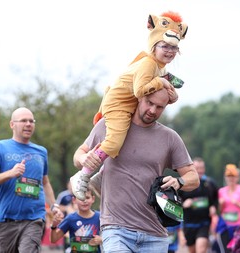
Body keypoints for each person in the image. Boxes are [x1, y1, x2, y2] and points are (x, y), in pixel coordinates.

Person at [70, 10, 187, 200]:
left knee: (133, 137)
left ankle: (100, 177)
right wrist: (163, 83)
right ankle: (82, 175)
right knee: (114, 142)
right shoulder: (149, 64)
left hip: (130, 104)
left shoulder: (159, 66)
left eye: (174, 48)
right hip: (119, 104)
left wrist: (172, 94)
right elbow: (140, 91)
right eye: (165, 46)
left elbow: (165, 89)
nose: (169, 51)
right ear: (154, 46)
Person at [73, 87, 200, 253]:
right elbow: (79, 154)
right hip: (116, 228)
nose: (153, 110)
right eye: (149, 103)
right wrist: (84, 159)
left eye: (159, 107)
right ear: (139, 97)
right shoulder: (110, 126)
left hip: (155, 233)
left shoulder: (170, 138)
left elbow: (193, 178)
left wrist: (179, 181)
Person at [0, 107, 64, 252]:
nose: (28, 124)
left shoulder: (41, 152)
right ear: (12, 124)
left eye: (31, 121)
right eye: (24, 121)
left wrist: (54, 206)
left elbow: (45, 182)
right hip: (7, 221)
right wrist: (10, 173)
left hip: (34, 218)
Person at [179, 157, 218, 253]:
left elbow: (215, 198)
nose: (200, 171)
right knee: (192, 251)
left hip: (204, 223)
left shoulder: (209, 183)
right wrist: (183, 204)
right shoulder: (184, 183)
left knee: (201, 250)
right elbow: (176, 202)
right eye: (197, 168)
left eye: (202, 168)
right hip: (189, 224)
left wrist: (213, 207)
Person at [217, 164, 240, 251]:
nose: (231, 178)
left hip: (239, 226)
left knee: (239, 250)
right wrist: (220, 204)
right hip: (225, 226)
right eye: (228, 176)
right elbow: (219, 211)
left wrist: (239, 204)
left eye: (233, 176)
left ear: (237, 178)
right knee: (226, 250)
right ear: (225, 178)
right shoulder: (221, 191)